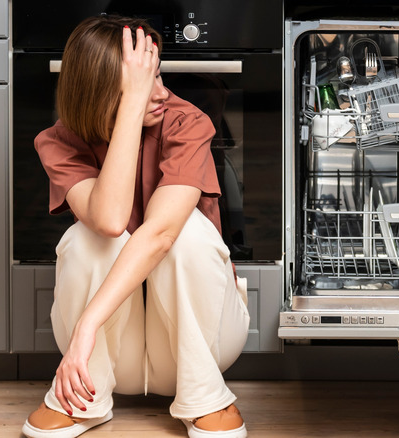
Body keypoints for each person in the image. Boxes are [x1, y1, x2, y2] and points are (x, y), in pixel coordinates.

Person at [21, 15, 250, 438]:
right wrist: (131, 105)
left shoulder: (187, 123)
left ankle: (204, 395)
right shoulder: (58, 141)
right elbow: (109, 219)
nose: (161, 92)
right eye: (145, 85)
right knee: (86, 237)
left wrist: (84, 327)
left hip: (196, 344)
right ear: (102, 95)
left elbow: (160, 234)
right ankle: (82, 399)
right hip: (106, 355)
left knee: (186, 233)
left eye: (158, 74)